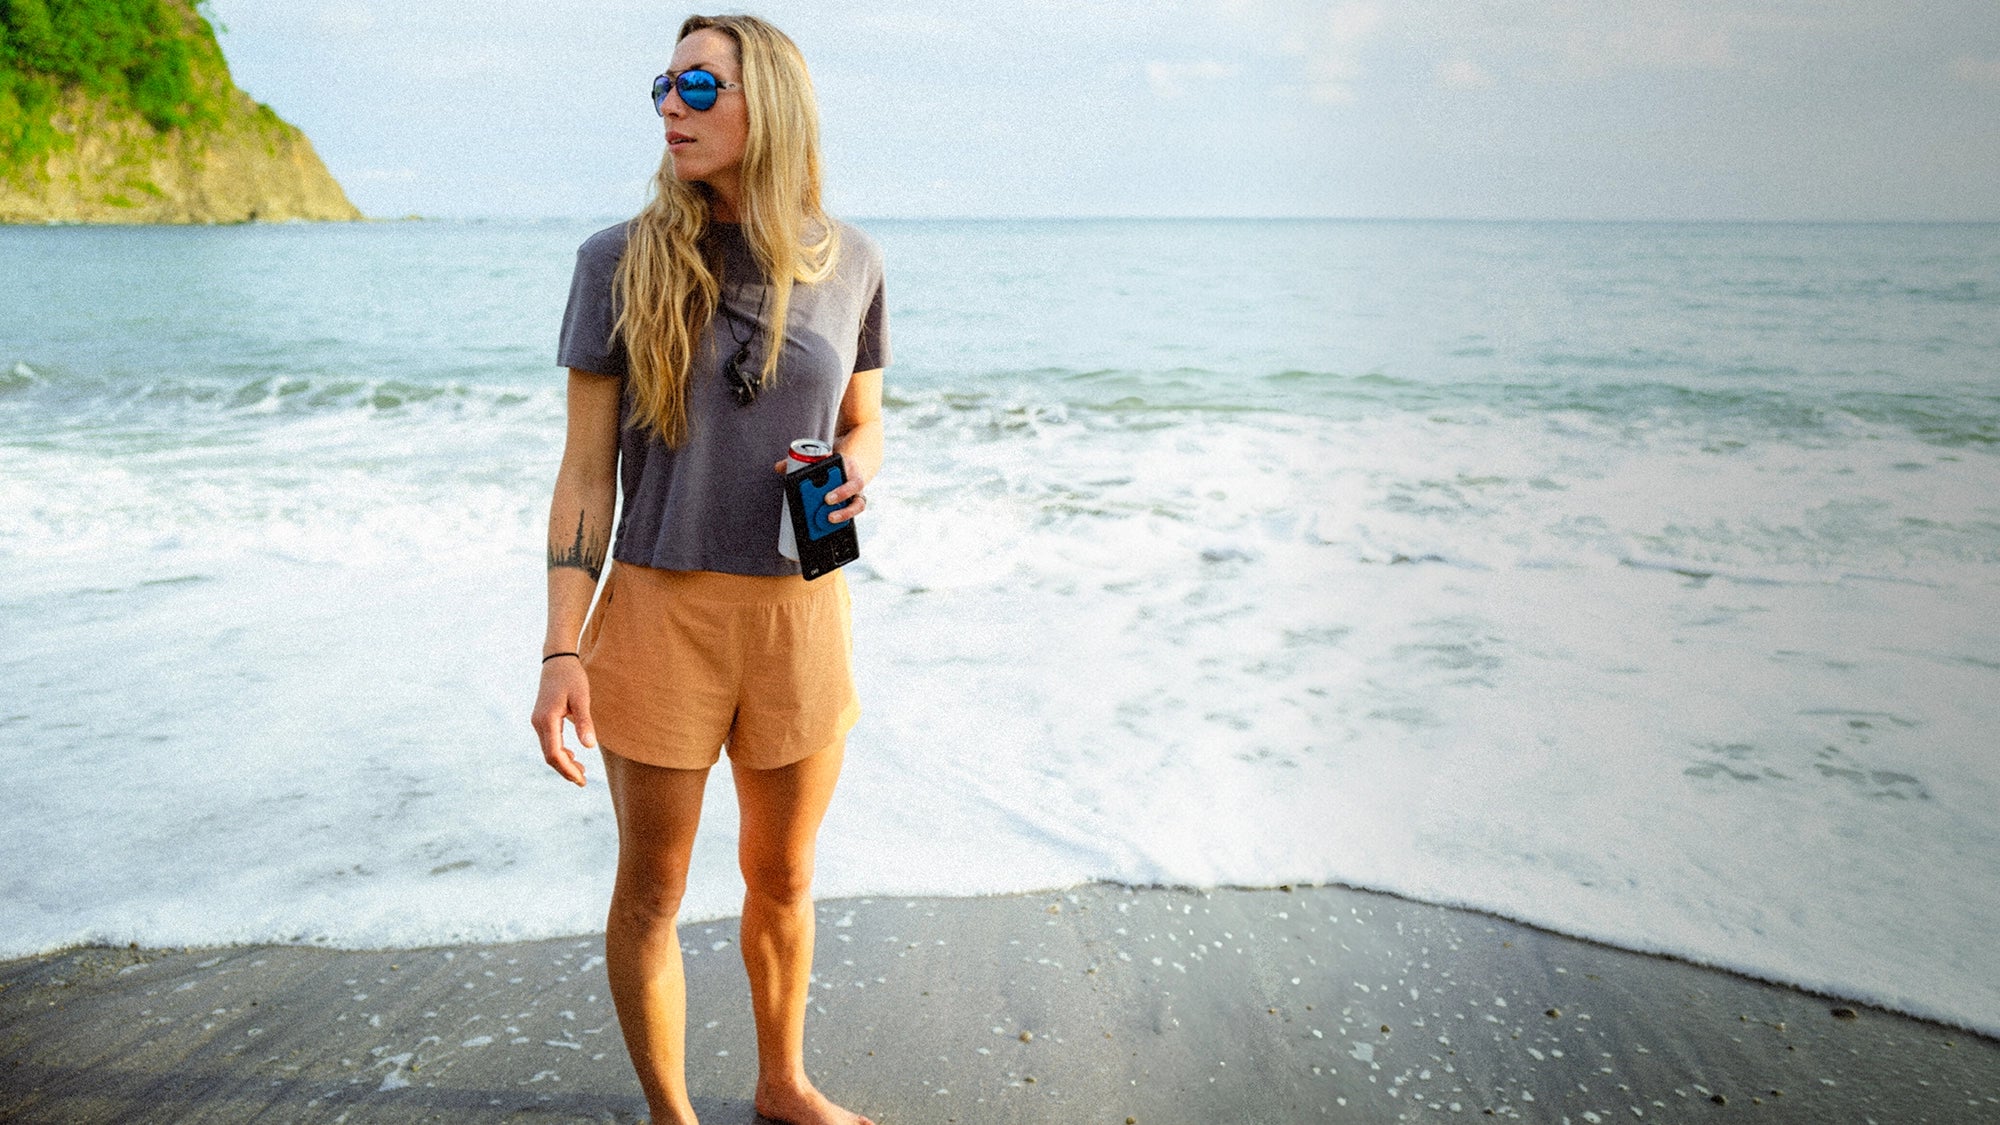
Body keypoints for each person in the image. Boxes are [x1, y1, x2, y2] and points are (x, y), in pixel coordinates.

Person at [529, 15, 885, 1125]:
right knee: (653, 892)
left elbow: (865, 421)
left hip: (799, 612)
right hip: (659, 610)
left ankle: (781, 1084)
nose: (671, 106)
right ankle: (671, 1115)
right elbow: (587, 475)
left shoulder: (850, 260)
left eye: (697, 84)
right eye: (663, 85)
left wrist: (854, 472)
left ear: (766, 102)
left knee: (781, 879)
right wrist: (556, 650)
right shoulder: (615, 260)